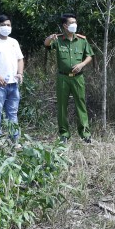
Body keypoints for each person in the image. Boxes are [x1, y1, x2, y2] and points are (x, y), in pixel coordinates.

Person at [43, 13, 94, 142]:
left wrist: (82, 64)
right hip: (63, 78)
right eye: (71, 23)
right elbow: (47, 45)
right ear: (65, 26)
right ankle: (64, 134)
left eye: (75, 22)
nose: (74, 25)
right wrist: (49, 38)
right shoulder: (58, 40)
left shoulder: (82, 40)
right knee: (62, 106)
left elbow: (89, 56)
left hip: (78, 78)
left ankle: (85, 134)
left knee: (80, 105)